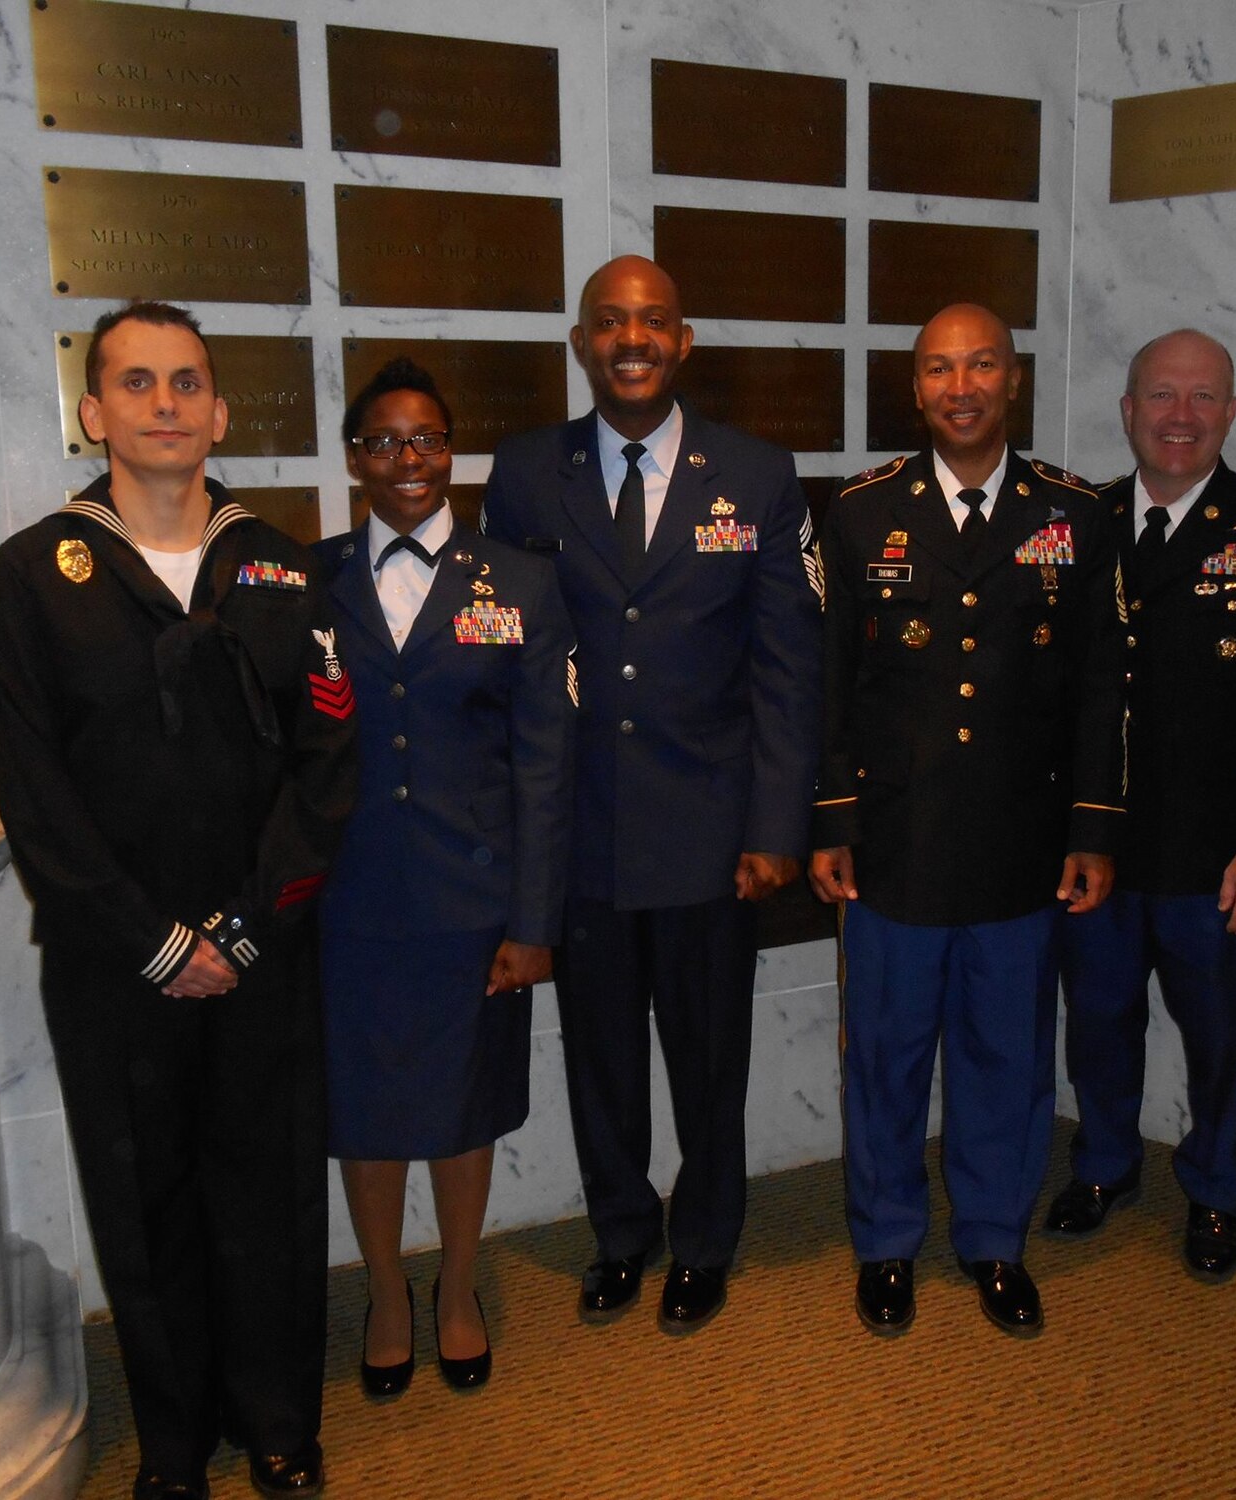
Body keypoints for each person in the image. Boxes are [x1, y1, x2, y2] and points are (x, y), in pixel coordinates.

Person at [0, 302, 355, 1500]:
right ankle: (178, 1446)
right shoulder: (38, 574)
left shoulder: (284, 568)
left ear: (220, 412)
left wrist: (241, 929)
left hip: (262, 951)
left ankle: (280, 1423)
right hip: (114, 962)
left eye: (186, 383)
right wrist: (154, 942)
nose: (163, 404)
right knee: (147, 1204)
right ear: (93, 415)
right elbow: (35, 794)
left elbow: (328, 770)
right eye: (135, 384)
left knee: (270, 1186)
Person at [482, 255, 821, 1332]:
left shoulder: (760, 476)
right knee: (600, 1060)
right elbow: (506, 656)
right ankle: (623, 1232)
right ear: (582, 343)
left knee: (709, 1055)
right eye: (610, 322)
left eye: (654, 321)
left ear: (685, 342)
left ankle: (706, 1239)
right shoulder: (527, 473)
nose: (632, 338)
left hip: (712, 833)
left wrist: (776, 827)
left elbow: (786, 668)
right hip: (579, 830)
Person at [809, 304, 1124, 1335]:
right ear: (914, 390)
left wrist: (1089, 830)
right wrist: (832, 821)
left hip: (1017, 845)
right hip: (893, 848)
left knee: (1005, 1055)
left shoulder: (1073, 514)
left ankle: (993, 1239)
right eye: (938, 369)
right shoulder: (859, 512)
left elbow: (1096, 689)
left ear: (1012, 380)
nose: (959, 387)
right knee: (885, 1057)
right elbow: (828, 683)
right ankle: (887, 1241)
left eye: (979, 365)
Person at [1049, 329, 1236, 1281]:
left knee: (1219, 1037)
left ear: (1231, 413)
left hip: (1217, 852)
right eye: (1162, 396)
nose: (1181, 416)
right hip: (1094, 845)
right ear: (1127, 409)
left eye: (1203, 397)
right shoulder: (1076, 521)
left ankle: (1217, 1190)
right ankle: (1104, 1165)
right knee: (1097, 1020)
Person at [315, 358, 574, 1392]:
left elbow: (544, 761)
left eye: (425, 439)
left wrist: (533, 916)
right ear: (353, 459)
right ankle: (385, 1289)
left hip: (475, 905)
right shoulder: (309, 581)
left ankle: (458, 1286)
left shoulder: (516, 581)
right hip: (352, 902)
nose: (406, 459)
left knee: (463, 1108)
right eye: (383, 441)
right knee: (364, 1113)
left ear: (449, 452)